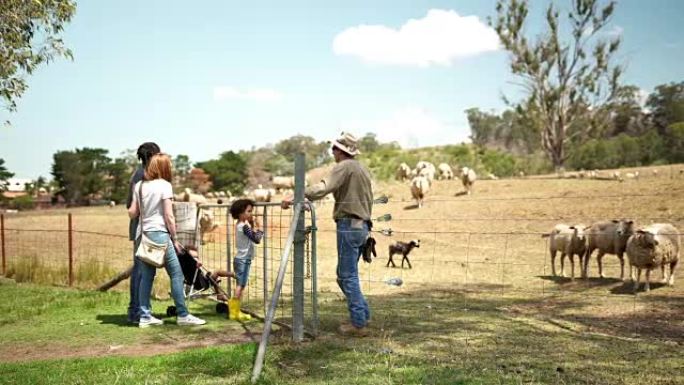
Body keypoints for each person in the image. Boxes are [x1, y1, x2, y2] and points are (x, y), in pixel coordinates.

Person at [281, 132, 373, 336]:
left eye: (334, 148)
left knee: (346, 276)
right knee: (346, 275)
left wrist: (299, 194)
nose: (332, 152)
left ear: (341, 151)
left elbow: (323, 188)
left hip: (349, 223)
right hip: (362, 225)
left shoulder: (344, 167)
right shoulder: (362, 169)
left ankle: (358, 323)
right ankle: (363, 315)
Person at [128, 153, 206, 328]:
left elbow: (134, 212)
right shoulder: (164, 185)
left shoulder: (139, 185)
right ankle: (183, 314)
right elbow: (169, 216)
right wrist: (175, 239)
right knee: (176, 274)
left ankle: (145, 316)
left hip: (143, 234)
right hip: (159, 233)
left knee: (146, 277)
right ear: (164, 168)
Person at [126, 142, 160, 324]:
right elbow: (131, 207)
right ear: (153, 155)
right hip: (143, 230)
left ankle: (137, 310)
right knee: (141, 271)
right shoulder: (142, 175)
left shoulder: (140, 173)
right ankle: (137, 312)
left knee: (142, 271)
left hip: (143, 229)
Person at [228, 198, 263, 321]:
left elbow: (249, 235)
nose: (251, 213)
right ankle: (234, 312)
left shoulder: (241, 225)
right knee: (240, 286)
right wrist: (260, 227)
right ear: (240, 213)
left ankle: (236, 311)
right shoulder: (243, 227)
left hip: (241, 259)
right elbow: (256, 239)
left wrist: (252, 225)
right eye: (249, 211)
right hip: (243, 260)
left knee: (241, 285)